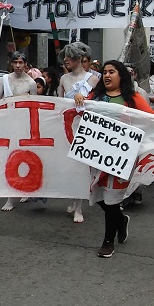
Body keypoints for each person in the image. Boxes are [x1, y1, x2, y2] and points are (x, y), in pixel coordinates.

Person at [73, 60, 154, 257]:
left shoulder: (133, 98)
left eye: (112, 71)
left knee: (111, 200)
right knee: (97, 195)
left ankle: (108, 242)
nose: (107, 75)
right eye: (105, 72)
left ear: (122, 76)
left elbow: (153, 118)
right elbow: (81, 109)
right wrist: (78, 98)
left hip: (121, 158)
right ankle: (120, 220)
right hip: (96, 155)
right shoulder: (96, 96)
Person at [58, 42, 100, 223]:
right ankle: (73, 198)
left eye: (71, 57)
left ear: (80, 59)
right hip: (67, 126)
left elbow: (98, 105)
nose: (67, 60)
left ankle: (80, 205)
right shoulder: (63, 79)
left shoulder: (93, 79)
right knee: (69, 166)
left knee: (83, 167)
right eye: (65, 57)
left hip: (85, 126)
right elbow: (58, 103)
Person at [0, 52, 39, 212]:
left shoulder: (31, 83)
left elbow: (35, 108)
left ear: (26, 64)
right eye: (15, 62)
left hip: (24, 125)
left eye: (21, 62)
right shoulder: (5, 79)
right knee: (8, 159)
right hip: (8, 123)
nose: (18, 65)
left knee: (25, 157)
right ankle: (10, 197)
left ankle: (26, 189)